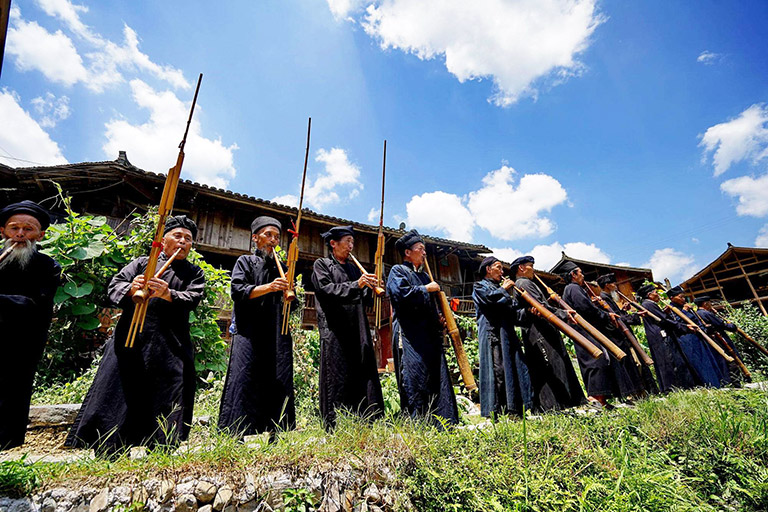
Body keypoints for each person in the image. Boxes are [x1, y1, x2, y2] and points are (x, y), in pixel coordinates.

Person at [66, 216, 205, 455]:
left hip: (171, 344)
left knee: (167, 394)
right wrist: (132, 288)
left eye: (188, 239)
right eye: (178, 236)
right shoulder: (142, 264)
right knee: (120, 389)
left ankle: (160, 451)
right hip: (131, 339)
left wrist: (168, 294)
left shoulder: (193, 272)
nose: (183, 242)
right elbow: (114, 287)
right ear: (164, 241)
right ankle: (109, 449)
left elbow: (193, 297)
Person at [218, 216, 295, 437]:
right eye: (268, 235)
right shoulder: (244, 261)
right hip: (249, 330)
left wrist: (288, 289)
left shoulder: (280, 268)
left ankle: (274, 430)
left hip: (275, 332)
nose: (273, 240)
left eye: (277, 237)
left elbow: (292, 304)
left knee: (276, 378)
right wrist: (269, 287)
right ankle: (237, 432)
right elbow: (238, 291)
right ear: (255, 238)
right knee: (244, 377)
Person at [0, 201, 61, 450]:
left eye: (28, 229)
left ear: (40, 235)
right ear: (3, 231)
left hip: (21, 342)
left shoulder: (48, 266)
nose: (21, 234)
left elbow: (35, 305)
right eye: (14, 228)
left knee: (11, 394)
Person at [311, 226, 385, 428]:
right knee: (336, 372)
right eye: (347, 241)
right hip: (335, 328)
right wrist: (357, 285)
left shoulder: (353, 269)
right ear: (333, 243)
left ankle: (365, 418)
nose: (351, 246)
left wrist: (371, 288)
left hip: (356, 327)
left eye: (353, 242)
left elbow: (362, 298)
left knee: (360, 369)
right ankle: (335, 422)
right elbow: (326, 290)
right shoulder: (322, 265)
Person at [386, 230, 459, 426]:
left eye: (424, 249)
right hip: (410, 333)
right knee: (415, 375)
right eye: (420, 249)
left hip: (429, 334)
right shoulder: (398, 271)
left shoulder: (426, 276)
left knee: (436, 374)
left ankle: (443, 420)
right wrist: (425, 289)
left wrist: (439, 320)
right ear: (408, 252)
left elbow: (432, 306)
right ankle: (418, 422)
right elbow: (398, 294)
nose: (424, 252)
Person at [561, 262, 642, 405]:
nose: (583, 275)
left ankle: (602, 400)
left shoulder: (574, 289)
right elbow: (585, 308)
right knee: (595, 362)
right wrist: (605, 315)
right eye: (580, 272)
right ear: (573, 275)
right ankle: (595, 399)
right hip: (585, 331)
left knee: (601, 361)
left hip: (588, 331)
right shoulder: (573, 288)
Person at [512, 256, 586, 412]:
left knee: (551, 365)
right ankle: (555, 405)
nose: (533, 269)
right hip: (539, 331)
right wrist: (564, 314)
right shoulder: (523, 283)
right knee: (550, 366)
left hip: (541, 329)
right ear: (522, 268)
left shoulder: (526, 283)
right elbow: (542, 307)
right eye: (531, 265)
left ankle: (558, 404)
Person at [472, 256, 532, 417]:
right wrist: (504, 289)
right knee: (497, 370)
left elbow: (513, 311)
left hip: (507, 333)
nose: (502, 271)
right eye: (498, 267)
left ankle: (514, 409)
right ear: (488, 270)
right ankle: (496, 411)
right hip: (492, 333)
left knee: (514, 367)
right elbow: (489, 300)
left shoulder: (501, 289)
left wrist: (527, 310)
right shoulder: (479, 286)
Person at [596, 274, 658, 395]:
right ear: (607, 285)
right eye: (613, 284)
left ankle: (643, 391)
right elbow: (616, 319)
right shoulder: (604, 299)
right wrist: (635, 316)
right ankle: (637, 392)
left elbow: (619, 315)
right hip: (619, 337)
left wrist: (624, 311)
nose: (615, 286)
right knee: (635, 364)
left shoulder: (608, 298)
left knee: (637, 363)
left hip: (623, 335)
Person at [635, 284, 700, 392]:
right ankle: (674, 387)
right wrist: (684, 327)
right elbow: (664, 321)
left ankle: (672, 387)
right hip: (661, 337)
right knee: (669, 361)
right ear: (649, 295)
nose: (658, 295)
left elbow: (660, 317)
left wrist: (664, 313)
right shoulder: (649, 305)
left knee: (666, 362)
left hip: (657, 337)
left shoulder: (648, 305)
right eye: (655, 292)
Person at [666, 287, 728, 388]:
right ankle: (709, 385)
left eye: (684, 297)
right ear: (672, 298)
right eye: (680, 297)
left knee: (709, 359)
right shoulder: (671, 309)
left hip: (699, 336)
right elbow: (677, 323)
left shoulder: (684, 306)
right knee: (699, 362)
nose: (683, 299)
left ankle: (718, 383)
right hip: (688, 339)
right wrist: (685, 312)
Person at [694, 296, 748, 384]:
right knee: (732, 358)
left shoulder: (697, 314)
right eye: (709, 303)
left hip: (712, 341)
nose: (711, 305)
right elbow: (721, 325)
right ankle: (736, 380)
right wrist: (732, 327)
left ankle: (728, 381)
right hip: (720, 339)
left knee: (721, 361)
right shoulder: (706, 314)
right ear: (705, 304)